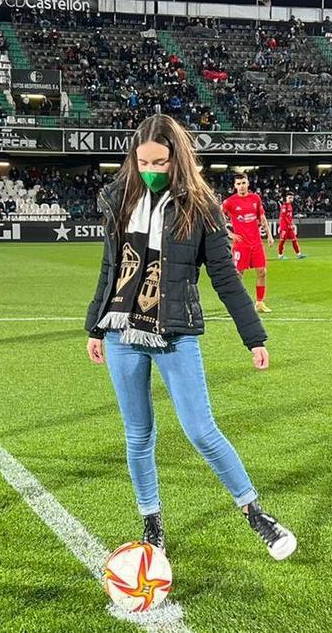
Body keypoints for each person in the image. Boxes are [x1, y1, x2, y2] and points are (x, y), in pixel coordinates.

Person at [84, 115, 296, 561]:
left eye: (160, 162)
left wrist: (253, 336)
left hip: (174, 333)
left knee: (202, 430)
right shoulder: (119, 199)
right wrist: (95, 325)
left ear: (177, 159)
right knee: (138, 435)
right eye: (142, 161)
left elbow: (224, 277)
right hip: (122, 332)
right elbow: (110, 268)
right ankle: (152, 522)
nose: (150, 170)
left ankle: (255, 512)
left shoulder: (202, 208)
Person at [222, 173, 273, 313]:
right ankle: (237, 303)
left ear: (248, 183)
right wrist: (230, 234)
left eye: (243, 183)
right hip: (241, 245)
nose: (241, 186)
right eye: (238, 184)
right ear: (234, 186)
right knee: (238, 275)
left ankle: (260, 303)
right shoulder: (230, 202)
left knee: (262, 272)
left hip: (256, 243)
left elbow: (262, 217)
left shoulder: (255, 198)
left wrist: (269, 235)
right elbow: (216, 219)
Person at [276, 192, 304, 260]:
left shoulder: (290, 205)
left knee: (294, 240)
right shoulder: (284, 206)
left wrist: (292, 224)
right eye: (289, 197)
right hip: (284, 227)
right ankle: (280, 255)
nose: (291, 199)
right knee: (282, 241)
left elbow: (289, 217)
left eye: (292, 198)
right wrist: (290, 224)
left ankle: (298, 254)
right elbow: (284, 217)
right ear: (286, 198)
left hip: (289, 227)